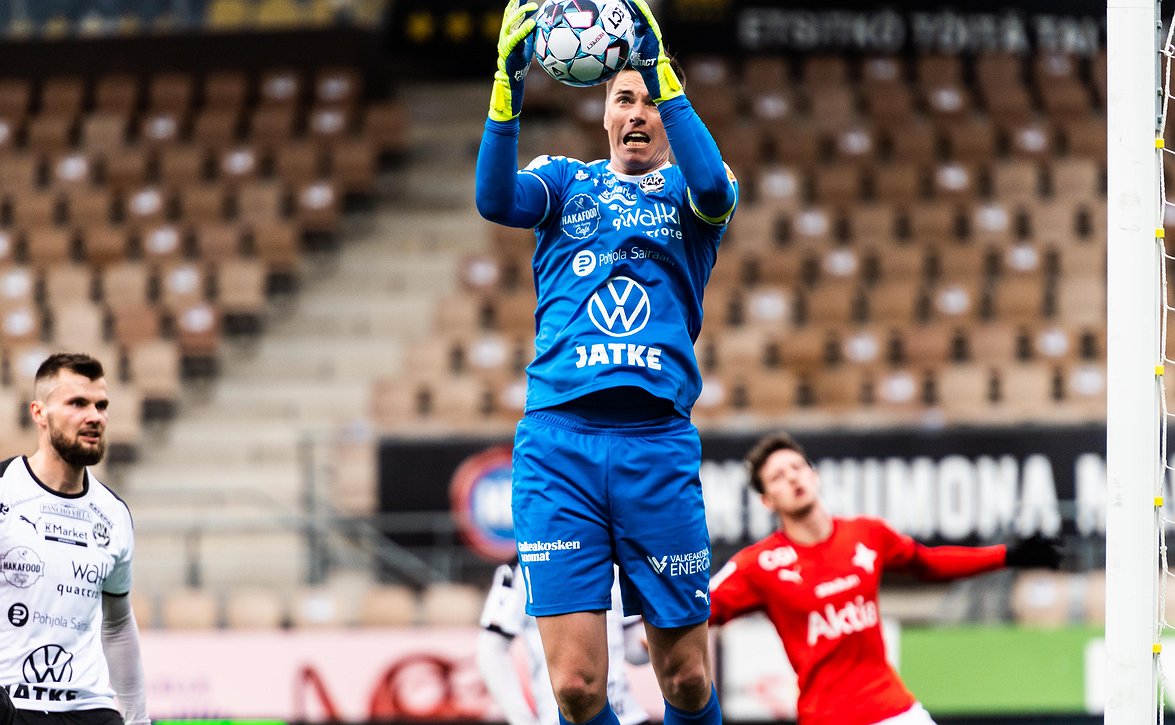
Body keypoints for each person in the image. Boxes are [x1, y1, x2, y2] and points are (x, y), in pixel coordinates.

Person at [475, 2, 738, 725]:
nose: (638, 112)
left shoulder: (695, 191)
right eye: (624, 98)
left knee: (685, 678)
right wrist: (508, 83)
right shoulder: (563, 182)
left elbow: (713, 187)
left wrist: (657, 65)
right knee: (577, 689)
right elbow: (494, 200)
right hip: (559, 446)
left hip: (654, 445)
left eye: (652, 101)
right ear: (602, 113)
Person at [708, 432, 1064, 725]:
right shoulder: (758, 564)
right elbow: (699, 606)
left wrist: (1008, 555)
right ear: (767, 500)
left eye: (797, 467)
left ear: (814, 474)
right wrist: (653, 628)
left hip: (894, 710)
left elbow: (928, 563)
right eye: (777, 477)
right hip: (827, 718)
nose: (792, 478)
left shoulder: (867, 533)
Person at [0, 353, 149, 725]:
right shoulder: (4, 491)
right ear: (39, 413)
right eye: (78, 403)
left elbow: (116, 624)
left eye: (101, 405)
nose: (94, 416)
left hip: (90, 710)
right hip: (12, 706)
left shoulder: (113, 515)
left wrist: (137, 718)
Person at [477, 564, 651, 725]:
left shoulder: (613, 562)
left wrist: (656, 643)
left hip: (628, 716)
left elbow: (630, 650)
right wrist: (523, 720)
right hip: (566, 718)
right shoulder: (527, 561)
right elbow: (490, 649)